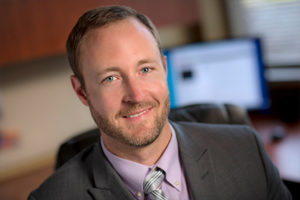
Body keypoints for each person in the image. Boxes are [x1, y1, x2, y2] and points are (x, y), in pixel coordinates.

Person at [28, 5, 291, 200]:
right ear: (82, 92)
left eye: (145, 70)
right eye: (111, 78)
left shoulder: (246, 151)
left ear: (164, 70)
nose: (137, 95)